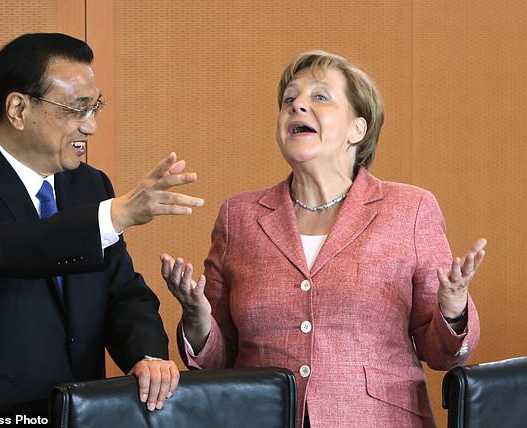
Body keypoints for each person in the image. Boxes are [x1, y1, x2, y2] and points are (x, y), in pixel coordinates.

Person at [161, 50, 485, 427]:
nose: (297, 105)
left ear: (357, 129)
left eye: (319, 96)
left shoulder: (409, 208)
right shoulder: (240, 216)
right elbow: (217, 360)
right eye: (289, 99)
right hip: (261, 417)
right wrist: (197, 317)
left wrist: (453, 307)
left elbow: (444, 355)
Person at [0, 33, 204, 416]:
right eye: (77, 110)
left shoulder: (90, 186)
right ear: (18, 109)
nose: (90, 127)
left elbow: (121, 292)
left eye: (94, 108)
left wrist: (147, 355)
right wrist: (114, 215)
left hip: (83, 413)